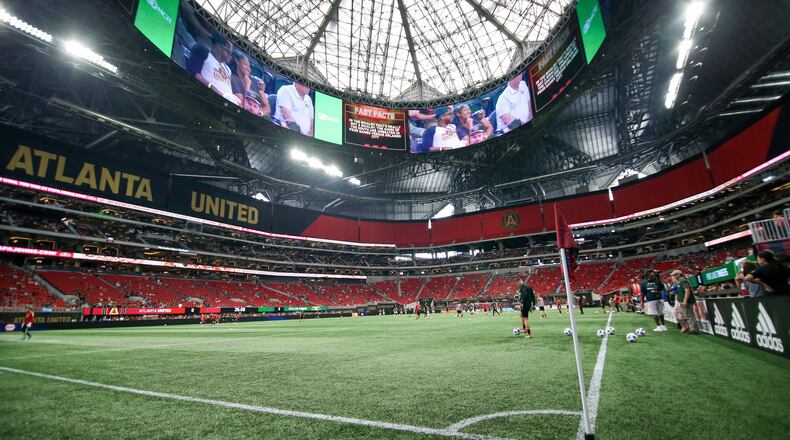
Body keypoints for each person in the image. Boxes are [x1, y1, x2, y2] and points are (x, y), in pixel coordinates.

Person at [191, 32, 239, 105]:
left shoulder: (228, 69)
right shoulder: (204, 52)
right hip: (207, 97)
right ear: (218, 47)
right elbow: (194, 72)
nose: (230, 56)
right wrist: (211, 87)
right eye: (228, 52)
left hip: (227, 104)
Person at [231, 52, 271, 118]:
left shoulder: (256, 81)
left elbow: (267, 108)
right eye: (245, 65)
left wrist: (259, 114)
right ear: (237, 61)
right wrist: (247, 87)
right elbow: (242, 107)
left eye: (249, 67)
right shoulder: (234, 79)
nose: (249, 69)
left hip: (259, 118)